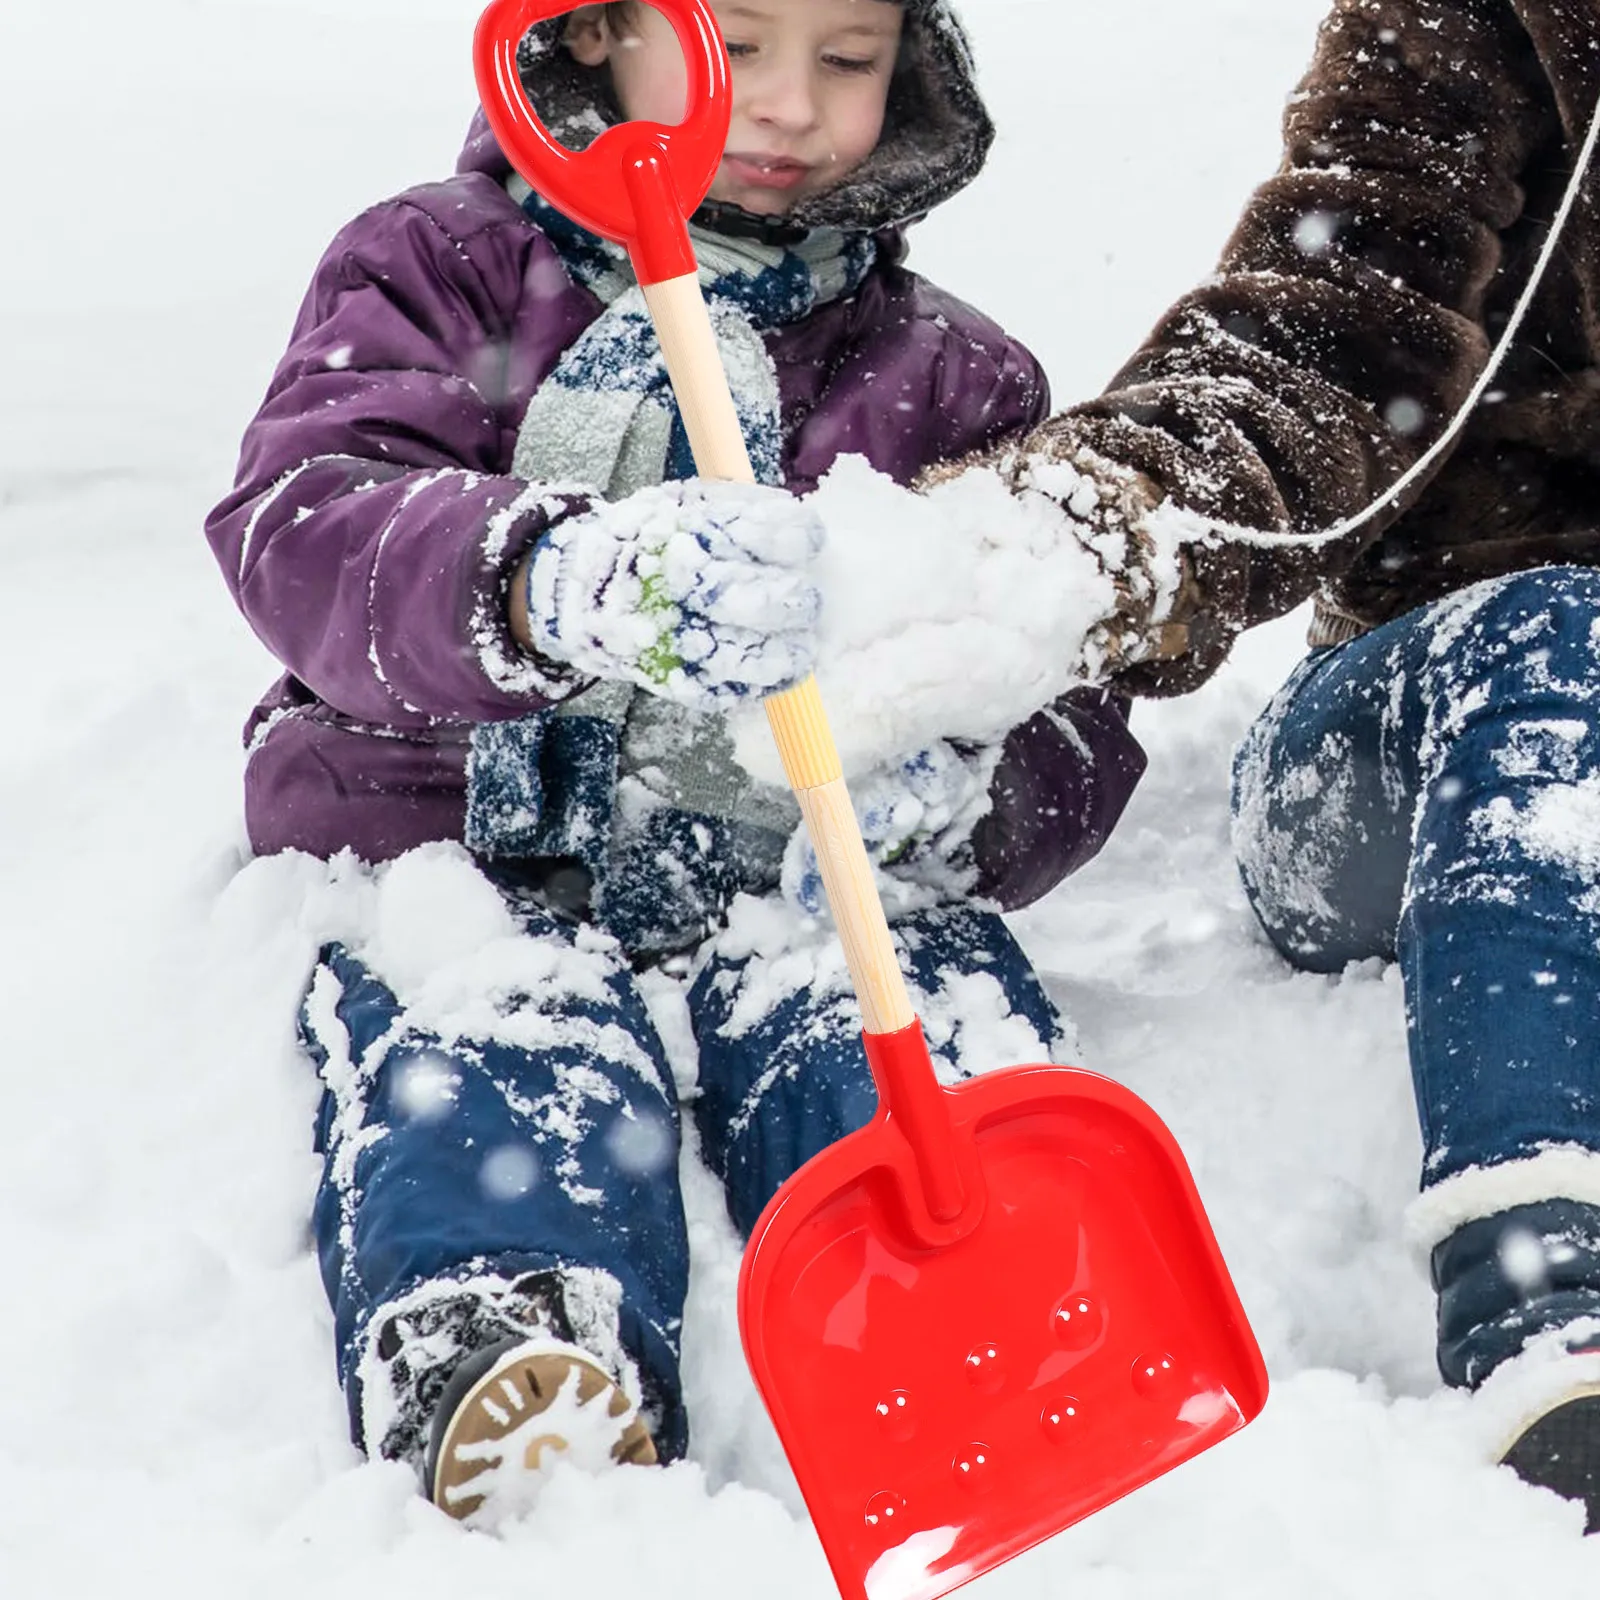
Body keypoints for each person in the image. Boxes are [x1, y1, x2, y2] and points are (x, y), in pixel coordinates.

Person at [205, 0, 1145, 1527]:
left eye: (847, 61)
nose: (785, 107)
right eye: (737, 46)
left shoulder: (954, 381)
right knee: (495, 1037)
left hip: (792, 874)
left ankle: (988, 1320)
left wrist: (975, 785)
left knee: (890, 1012)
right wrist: (539, 584)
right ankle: (511, 1325)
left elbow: (1066, 693)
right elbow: (303, 523)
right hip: (461, 843)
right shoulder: (439, 268)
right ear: (587, 37)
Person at [976, 0, 1600, 1531]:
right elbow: (1333, 313)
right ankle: (1549, 1303)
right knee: (1566, 638)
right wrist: (1099, 527)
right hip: (1415, 736)